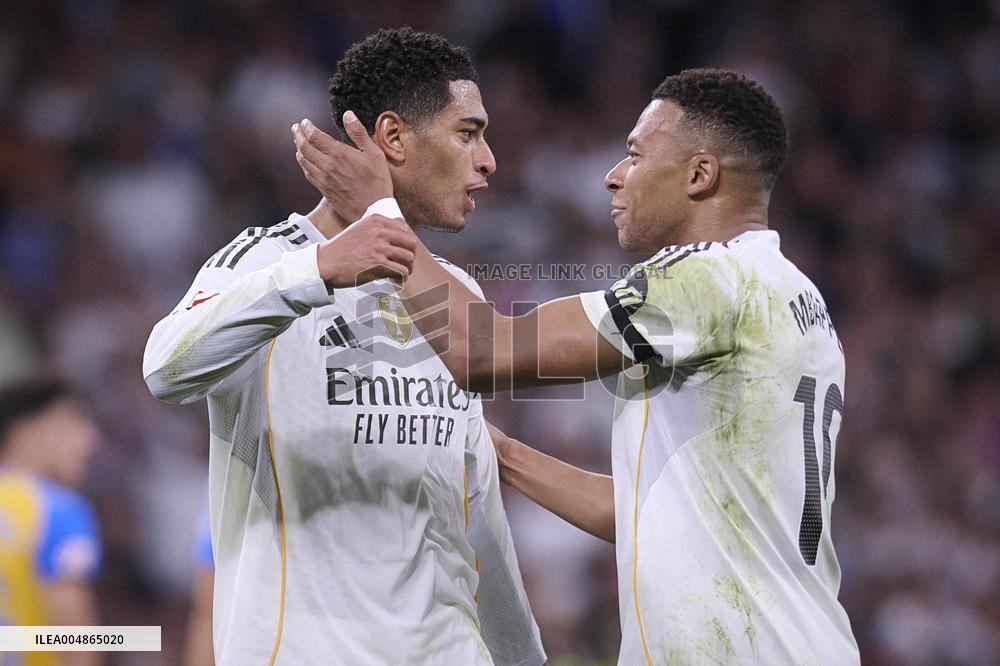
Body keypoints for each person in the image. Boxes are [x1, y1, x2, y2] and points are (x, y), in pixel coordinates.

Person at [293, 67, 860, 663]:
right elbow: (646, 514)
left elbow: (483, 351)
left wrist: (379, 216)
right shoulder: (796, 295)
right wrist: (501, 453)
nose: (613, 177)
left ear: (700, 175)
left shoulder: (709, 279)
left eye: (635, 156)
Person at [143, 28, 544, 665]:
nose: (489, 158)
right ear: (393, 138)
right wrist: (320, 271)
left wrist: (523, 658)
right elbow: (166, 367)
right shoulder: (268, 258)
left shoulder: (452, 290)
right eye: (468, 132)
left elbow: (477, 509)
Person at [0, 379, 102, 666]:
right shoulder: (56, 509)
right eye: (72, 423)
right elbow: (75, 642)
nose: (89, 439)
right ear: (23, 431)